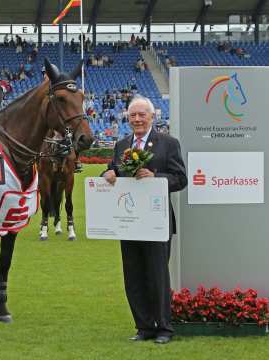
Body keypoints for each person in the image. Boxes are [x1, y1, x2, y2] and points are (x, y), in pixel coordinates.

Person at [102, 95, 187, 345]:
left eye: (142, 115)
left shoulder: (168, 143)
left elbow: (180, 178)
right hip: (128, 222)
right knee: (134, 275)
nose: (137, 119)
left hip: (156, 222)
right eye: (133, 116)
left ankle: (164, 328)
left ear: (152, 117)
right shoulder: (121, 145)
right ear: (128, 118)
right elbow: (112, 170)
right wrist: (107, 173)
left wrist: (155, 176)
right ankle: (143, 327)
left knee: (158, 274)